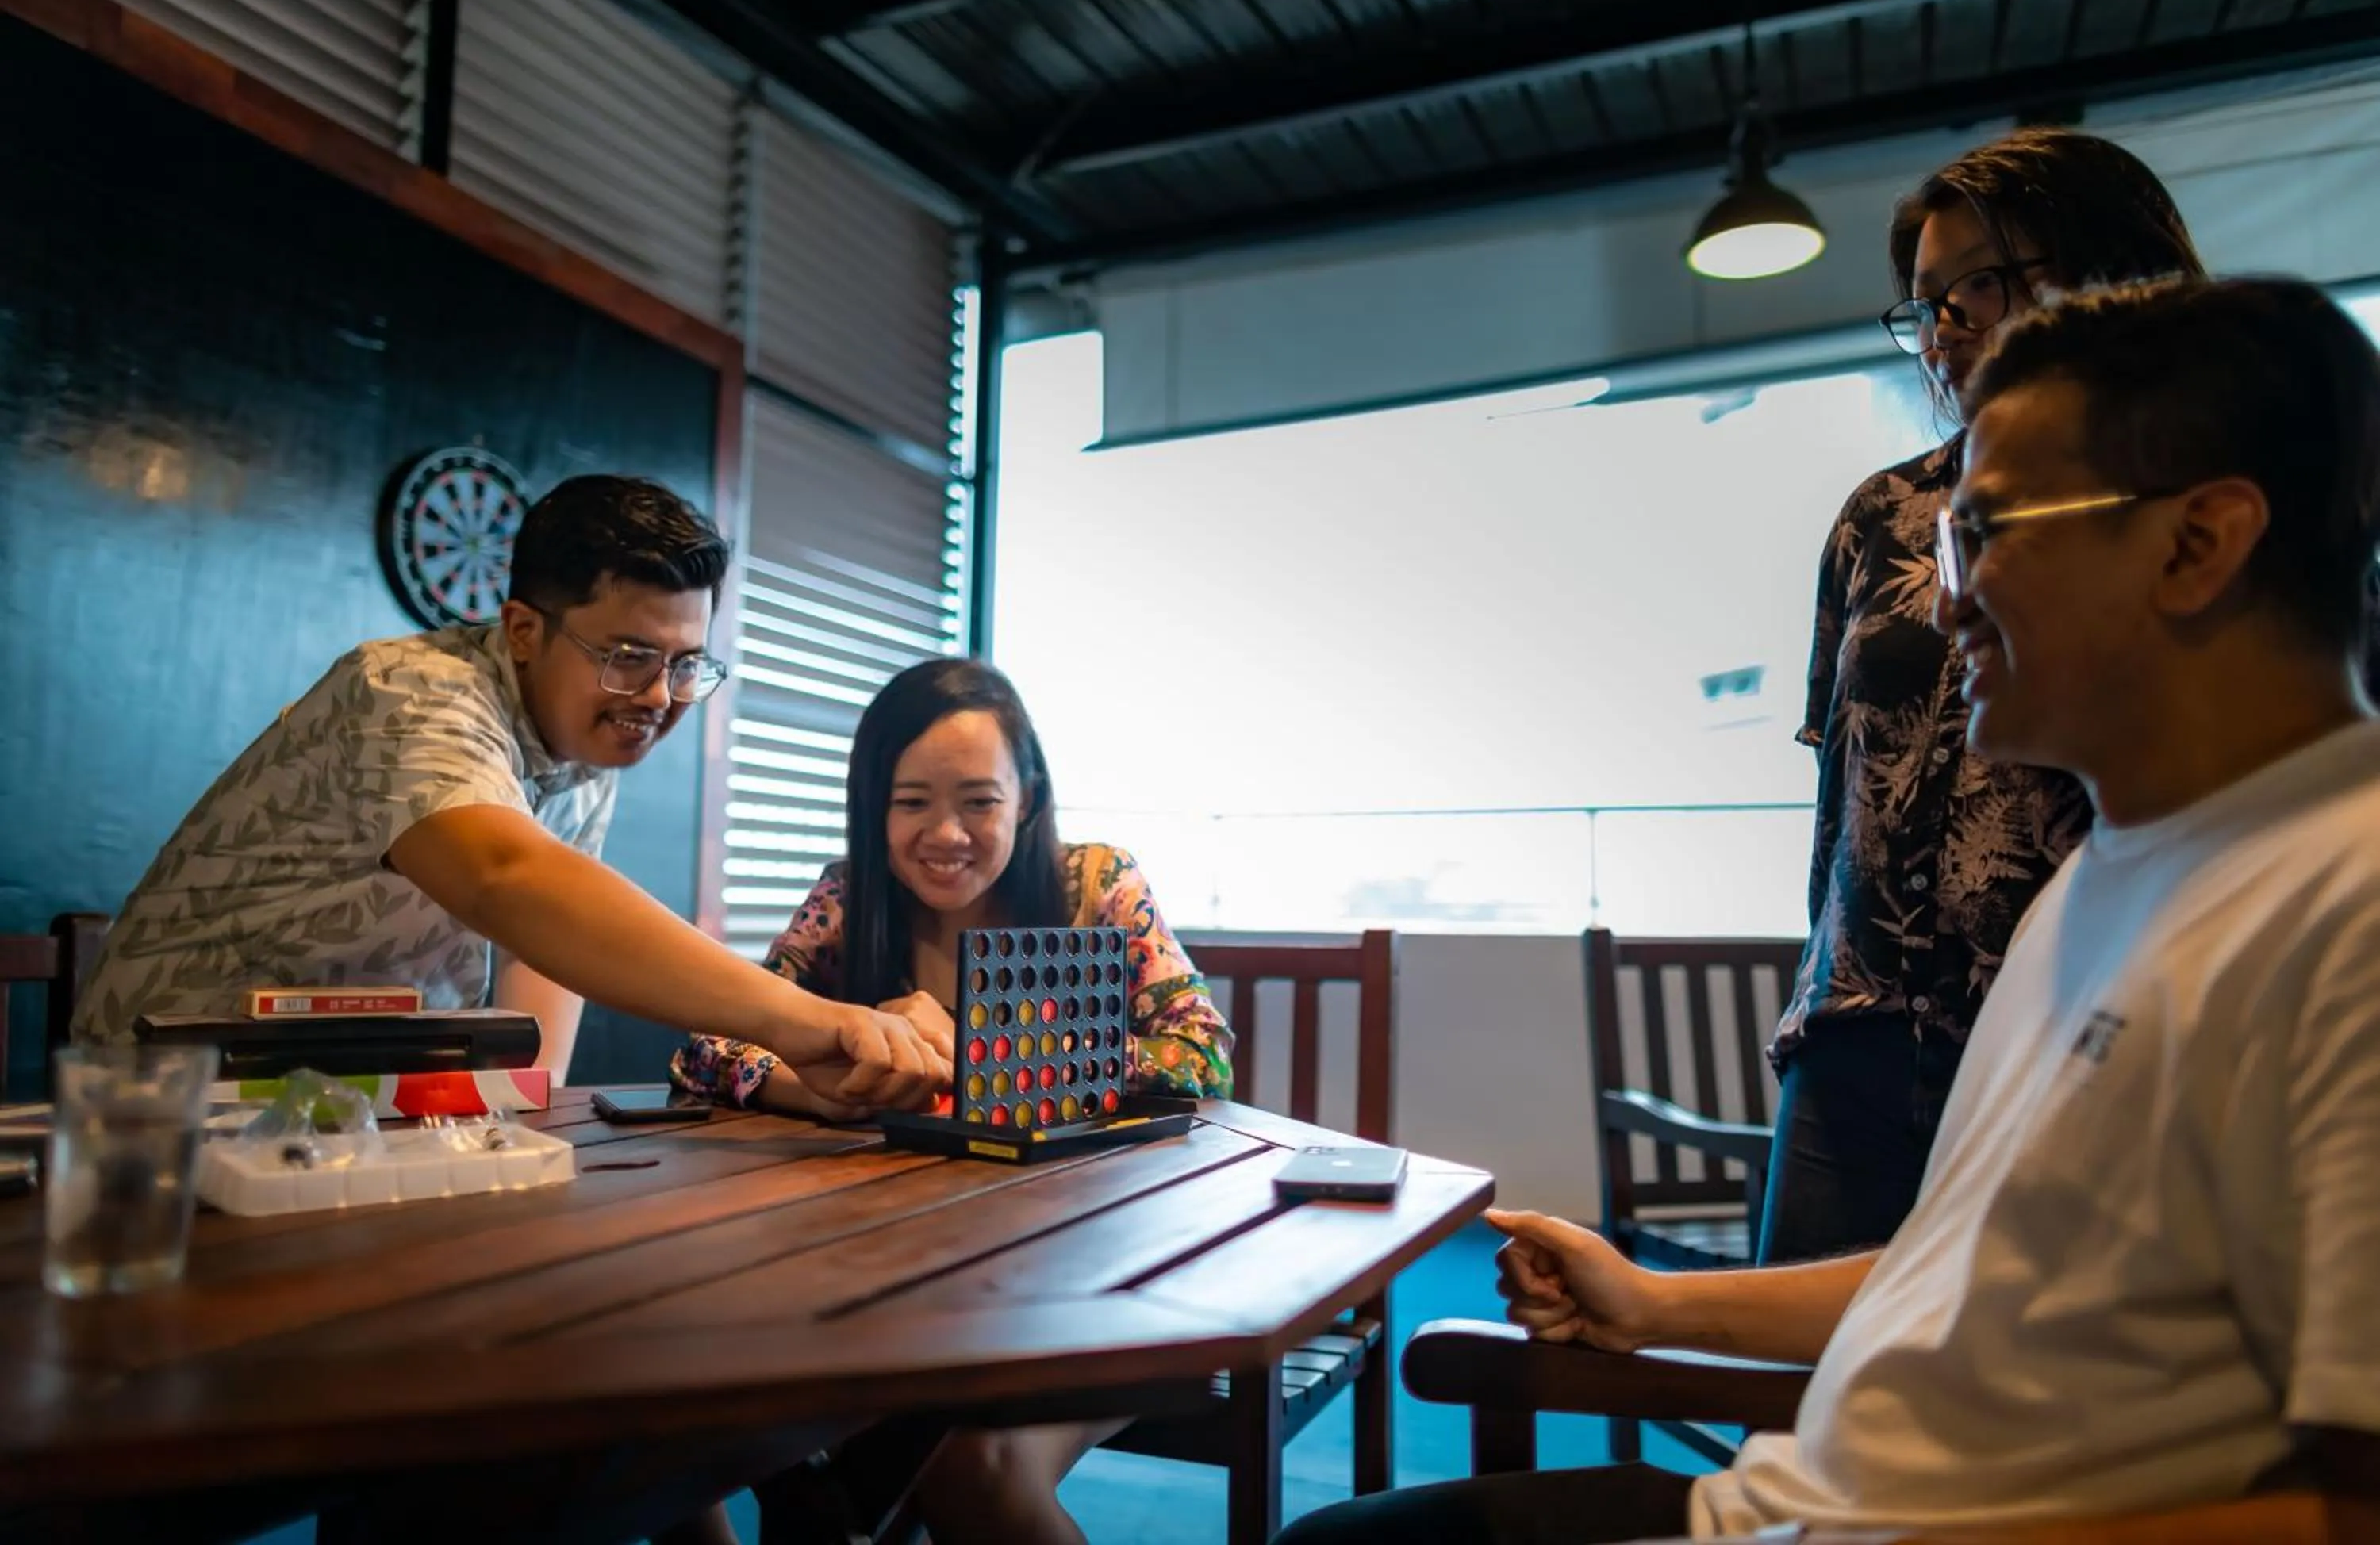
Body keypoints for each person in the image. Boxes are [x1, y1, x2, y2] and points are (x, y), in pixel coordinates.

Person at [1277, 276, 2380, 1544]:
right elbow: (1965, 1276)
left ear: (2199, 544)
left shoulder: (2341, 903)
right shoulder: (2101, 878)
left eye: (1989, 533)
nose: (1939, 600)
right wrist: (1655, 1303)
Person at [71, 474, 949, 1110]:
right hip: (171, 1098)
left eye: (686, 665)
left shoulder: (582, 740)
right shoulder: (409, 690)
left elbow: (543, 948)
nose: (656, 696)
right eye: (630, 655)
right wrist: (802, 1022)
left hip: (366, 1101)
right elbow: (510, 879)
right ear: (524, 629)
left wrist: (536, 1112)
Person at [1763, 128, 2209, 1262]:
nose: (1946, 330)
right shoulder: (1887, 515)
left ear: (2110, 271)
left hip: (2086, 1024)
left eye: (1981, 287)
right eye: (1927, 304)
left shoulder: (2209, 504)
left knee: (2031, 1397)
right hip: (1858, 1029)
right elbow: (1842, 789)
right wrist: (1817, 999)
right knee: (1801, 1396)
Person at [674, 656, 1232, 1545]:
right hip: (900, 1270)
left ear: (1028, 797)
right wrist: (818, 1086)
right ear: (872, 806)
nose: (947, 832)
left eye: (978, 800)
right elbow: (706, 1048)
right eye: (910, 803)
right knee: (731, 1419)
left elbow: (1199, 1051)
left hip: (1105, 1270)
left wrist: (982, 1047)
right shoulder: (849, 897)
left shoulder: (1097, 884)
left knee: (976, 1473)